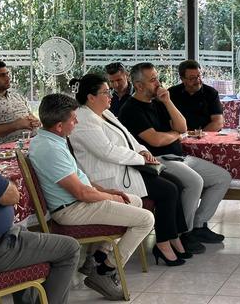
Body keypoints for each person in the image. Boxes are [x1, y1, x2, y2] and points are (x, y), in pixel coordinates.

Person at [28, 93, 154, 301]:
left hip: (77, 202)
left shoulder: (51, 138)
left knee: (136, 201)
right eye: (73, 119)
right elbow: (81, 193)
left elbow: (79, 178)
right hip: (71, 209)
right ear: (59, 126)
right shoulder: (50, 149)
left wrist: (107, 191)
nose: (77, 122)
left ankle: (97, 257)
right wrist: (109, 198)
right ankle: (105, 272)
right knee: (146, 219)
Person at [69, 73, 192, 265]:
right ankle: (163, 243)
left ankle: (174, 236)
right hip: (108, 177)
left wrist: (143, 151)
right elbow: (107, 151)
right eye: (105, 92)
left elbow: (128, 136)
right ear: (91, 97)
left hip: (125, 168)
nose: (110, 95)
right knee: (168, 191)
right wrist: (141, 159)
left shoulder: (105, 113)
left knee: (177, 183)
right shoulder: (83, 120)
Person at [118, 62, 231, 253]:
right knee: (194, 182)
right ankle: (183, 233)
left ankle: (198, 225)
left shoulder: (158, 102)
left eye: (157, 78)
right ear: (139, 86)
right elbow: (155, 140)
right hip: (157, 160)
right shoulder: (131, 109)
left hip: (179, 156)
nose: (158, 83)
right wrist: (176, 135)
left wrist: (168, 102)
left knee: (222, 178)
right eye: (153, 80)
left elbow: (182, 127)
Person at [0, 166, 80, 304]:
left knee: (25, 235)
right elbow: (12, 195)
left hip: (1, 240)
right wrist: (1, 180)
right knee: (70, 249)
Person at [0, 60, 40, 144]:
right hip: (8, 149)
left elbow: (31, 116)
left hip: (35, 142)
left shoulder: (17, 96)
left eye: (7, 74)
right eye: (2, 75)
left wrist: (35, 121)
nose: (8, 78)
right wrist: (16, 125)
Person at [169, 60, 224, 131]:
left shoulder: (211, 93)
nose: (198, 80)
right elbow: (167, 121)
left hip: (206, 134)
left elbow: (218, 122)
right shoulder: (172, 93)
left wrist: (198, 135)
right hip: (179, 134)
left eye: (199, 76)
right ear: (182, 79)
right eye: (192, 78)